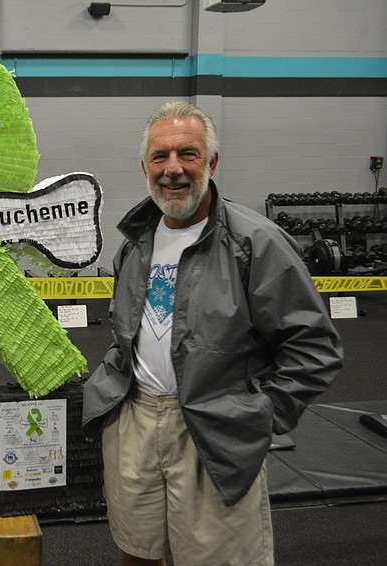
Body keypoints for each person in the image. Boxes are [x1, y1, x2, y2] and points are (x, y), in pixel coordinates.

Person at [82, 101, 343, 566]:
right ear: (144, 167)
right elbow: (127, 335)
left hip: (214, 426)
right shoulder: (136, 243)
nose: (173, 169)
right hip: (135, 421)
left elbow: (314, 347)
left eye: (189, 154)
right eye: (160, 157)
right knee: (137, 551)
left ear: (212, 162)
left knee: (217, 558)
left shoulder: (255, 242)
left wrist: (260, 413)